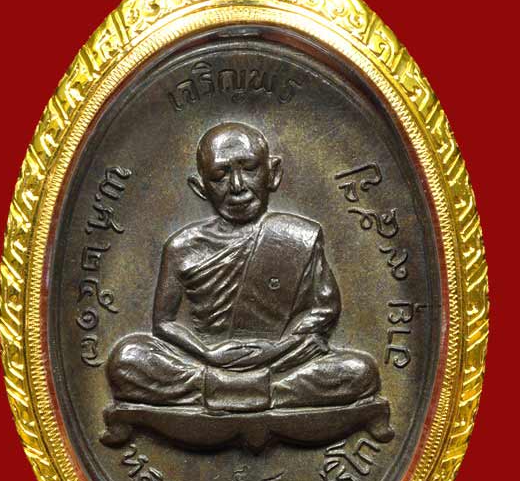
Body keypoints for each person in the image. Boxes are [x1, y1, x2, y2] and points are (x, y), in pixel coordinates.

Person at [107, 122, 386, 416]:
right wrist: (208, 353)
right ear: (200, 187)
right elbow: (164, 323)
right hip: (204, 362)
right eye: (220, 176)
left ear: (273, 173)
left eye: (250, 169)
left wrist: (278, 349)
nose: (238, 186)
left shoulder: (297, 237)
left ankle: (223, 392)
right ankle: (262, 392)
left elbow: (324, 311)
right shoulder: (182, 246)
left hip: (283, 361)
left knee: (359, 370)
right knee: (128, 359)